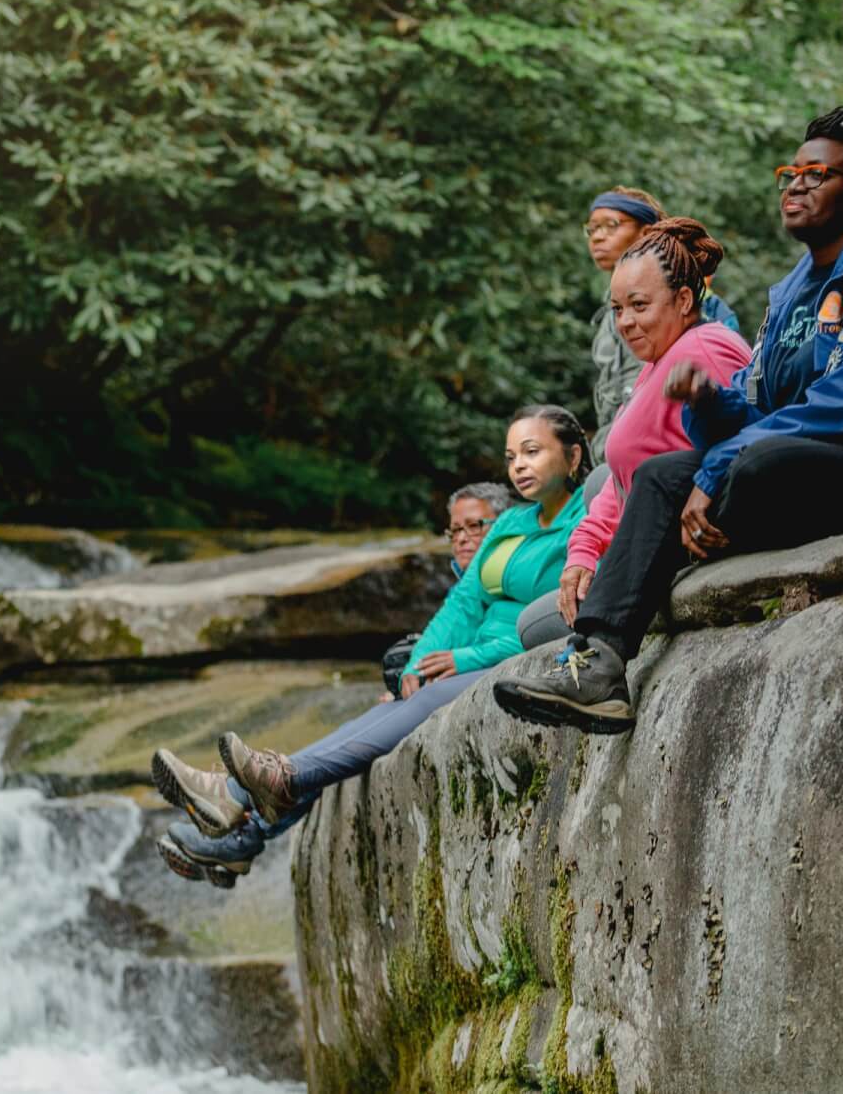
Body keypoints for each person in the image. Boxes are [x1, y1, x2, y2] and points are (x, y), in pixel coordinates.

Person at [494, 102, 843, 735]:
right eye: (793, 171)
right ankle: (598, 663)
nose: (797, 184)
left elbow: (840, 408)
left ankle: (698, 534)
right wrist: (706, 403)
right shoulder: (790, 297)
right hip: (803, 465)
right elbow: (757, 408)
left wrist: (719, 466)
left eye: (819, 174)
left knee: (754, 465)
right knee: (667, 474)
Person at [151, 406, 593, 886]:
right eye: (511, 456)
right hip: (469, 658)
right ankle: (243, 806)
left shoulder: (584, 523)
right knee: (384, 711)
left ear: (572, 458)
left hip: (516, 656)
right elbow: (464, 602)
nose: (519, 466)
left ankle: (247, 800)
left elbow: (557, 615)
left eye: (532, 452)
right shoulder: (512, 524)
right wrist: (420, 660)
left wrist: (464, 658)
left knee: (416, 703)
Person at [534, 216, 754, 648]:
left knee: (533, 627)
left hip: (672, 545)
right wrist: (581, 553)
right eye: (618, 309)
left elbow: (743, 439)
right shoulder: (656, 363)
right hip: (633, 534)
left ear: (685, 299)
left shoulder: (706, 349)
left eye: (639, 306)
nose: (625, 322)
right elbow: (618, 488)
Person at [585, 188, 740, 468]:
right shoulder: (611, 316)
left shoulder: (705, 328)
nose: (597, 236)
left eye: (611, 225)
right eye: (592, 228)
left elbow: (732, 424)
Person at [380, 482, 513, 700]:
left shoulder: (515, 582)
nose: (461, 538)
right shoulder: (458, 590)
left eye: (474, 526)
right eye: (456, 529)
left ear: (503, 525)